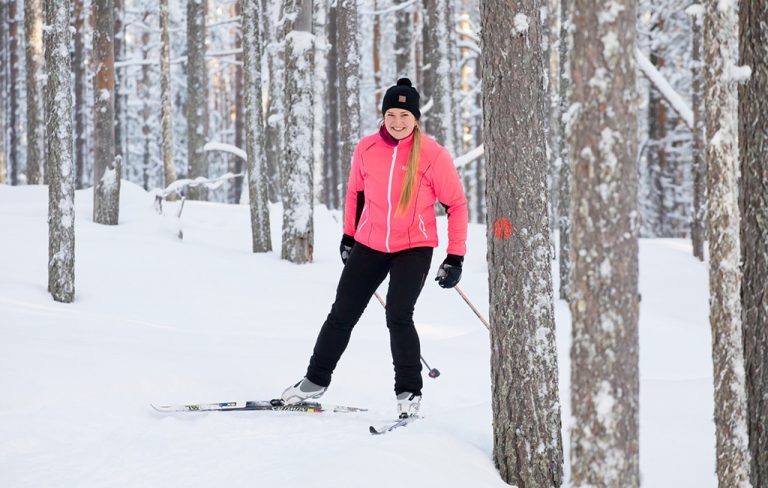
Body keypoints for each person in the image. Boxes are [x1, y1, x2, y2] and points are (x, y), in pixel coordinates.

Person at [281, 78, 468, 418]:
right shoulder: (367, 148)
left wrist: (455, 256)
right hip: (370, 243)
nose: (397, 122)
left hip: (413, 246)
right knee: (342, 314)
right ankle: (314, 382)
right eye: (391, 114)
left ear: (416, 119)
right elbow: (356, 193)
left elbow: (456, 204)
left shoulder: (432, 155)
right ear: (383, 116)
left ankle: (409, 393)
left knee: (398, 315)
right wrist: (349, 237)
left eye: (405, 116)